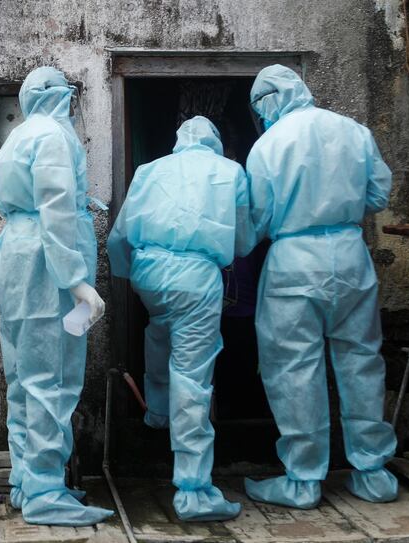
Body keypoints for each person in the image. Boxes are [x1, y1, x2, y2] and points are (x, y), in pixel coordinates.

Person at [239, 64, 398, 508]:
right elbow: (378, 195)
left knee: (293, 368)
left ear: (266, 103)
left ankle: (303, 479)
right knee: (362, 362)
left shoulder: (268, 145)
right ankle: (373, 472)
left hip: (293, 260)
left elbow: (257, 219)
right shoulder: (353, 130)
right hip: (350, 254)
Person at [0, 66, 114, 526]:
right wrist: (78, 281)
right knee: (50, 381)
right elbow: (57, 212)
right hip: (45, 265)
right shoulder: (55, 137)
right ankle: (45, 492)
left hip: (16, 258)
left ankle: (26, 481)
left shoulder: (17, 137)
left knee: (23, 380)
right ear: (61, 97)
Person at [107, 116, 252, 521]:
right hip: (195, 277)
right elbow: (242, 240)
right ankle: (193, 490)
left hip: (149, 274)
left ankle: (157, 412)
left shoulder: (150, 170)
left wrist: (127, 275)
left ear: (179, 141)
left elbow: (120, 233)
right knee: (192, 374)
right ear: (215, 143)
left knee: (159, 333)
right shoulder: (229, 171)